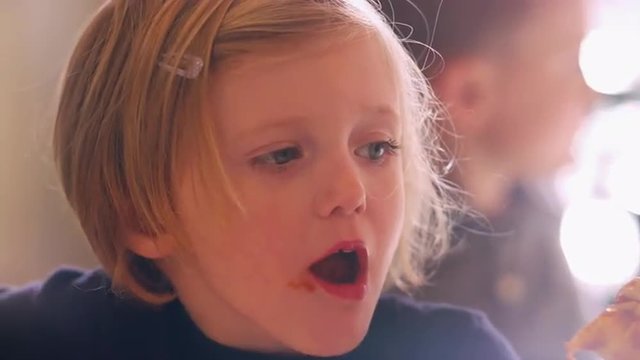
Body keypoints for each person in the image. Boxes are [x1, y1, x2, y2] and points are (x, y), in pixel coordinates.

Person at [0, 1, 519, 359]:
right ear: (145, 211)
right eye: (282, 155)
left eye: (376, 148)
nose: (351, 191)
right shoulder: (55, 339)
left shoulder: (455, 352)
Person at [381, 0, 595, 359]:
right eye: (570, 63)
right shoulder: (395, 280)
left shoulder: (534, 214)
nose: (590, 95)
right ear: (470, 94)